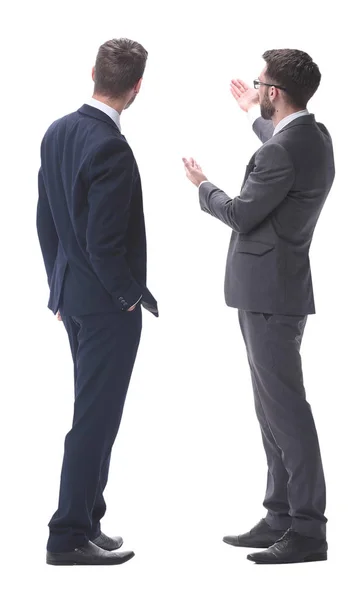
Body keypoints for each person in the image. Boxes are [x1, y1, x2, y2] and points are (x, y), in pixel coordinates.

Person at [183, 48, 335, 565]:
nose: (256, 87)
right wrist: (252, 112)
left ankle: (308, 530)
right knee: (271, 407)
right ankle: (280, 514)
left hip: (267, 294)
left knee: (285, 410)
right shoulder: (314, 137)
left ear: (274, 91)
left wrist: (203, 188)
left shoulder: (282, 152)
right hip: (280, 290)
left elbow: (243, 213)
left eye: (260, 83)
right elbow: (277, 145)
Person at [37, 38, 158, 566]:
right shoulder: (111, 147)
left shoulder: (57, 131)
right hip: (108, 306)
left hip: (75, 299)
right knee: (95, 419)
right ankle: (67, 535)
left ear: (93, 73)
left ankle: (87, 520)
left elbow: (46, 221)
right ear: (137, 88)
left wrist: (56, 288)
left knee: (95, 413)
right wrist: (129, 296)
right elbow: (104, 243)